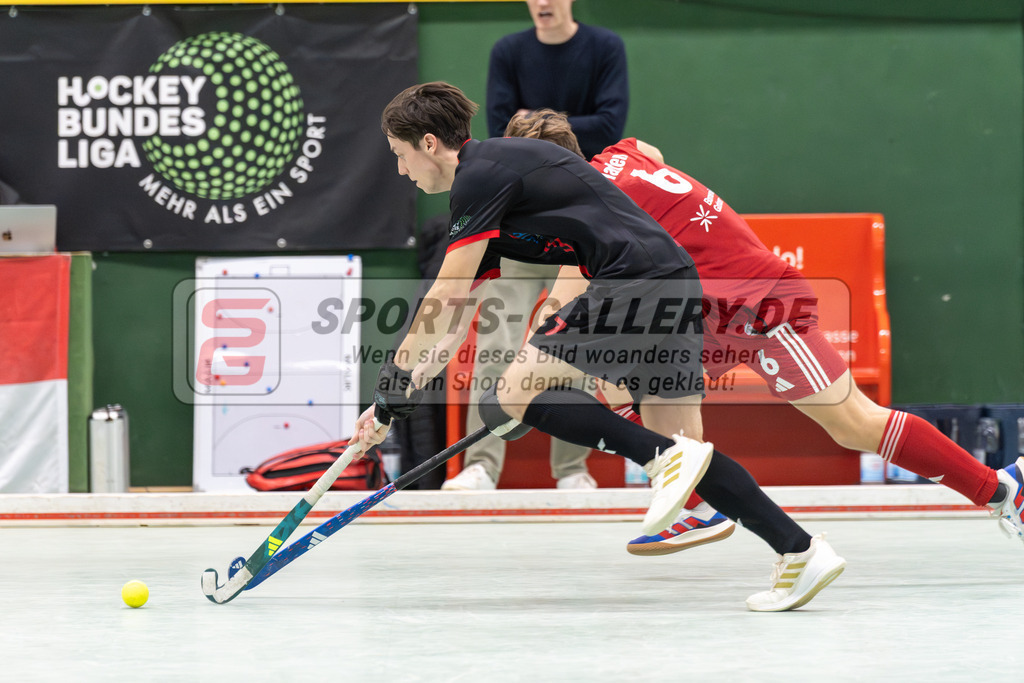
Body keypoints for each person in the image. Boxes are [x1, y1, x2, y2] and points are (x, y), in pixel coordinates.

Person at [353, 81, 847, 612]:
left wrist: (390, 377)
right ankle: (800, 551)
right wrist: (390, 406)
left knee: (516, 390)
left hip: (634, 279)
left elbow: (443, 293)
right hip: (674, 284)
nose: (402, 171)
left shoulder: (481, 171)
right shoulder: (491, 196)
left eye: (400, 156)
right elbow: (455, 319)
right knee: (689, 451)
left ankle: (661, 459)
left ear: (429, 144)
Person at [502, 108, 1024, 564]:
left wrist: (524, 392)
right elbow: (651, 156)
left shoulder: (593, 210)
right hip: (703, 315)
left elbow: (562, 304)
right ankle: (705, 505)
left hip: (762, 303)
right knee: (623, 384)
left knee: (854, 424)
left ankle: (1001, 489)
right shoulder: (626, 153)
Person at [445, 0, 630, 491]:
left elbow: (610, 126)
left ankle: (572, 470)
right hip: (519, 220)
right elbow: (499, 132)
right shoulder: (509, 50)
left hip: (581, 226)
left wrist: (538, 121)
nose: (544, 3)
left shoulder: (604, 47)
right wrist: (562, 125)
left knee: (573, 342)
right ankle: (480, 464)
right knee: (497, 342)